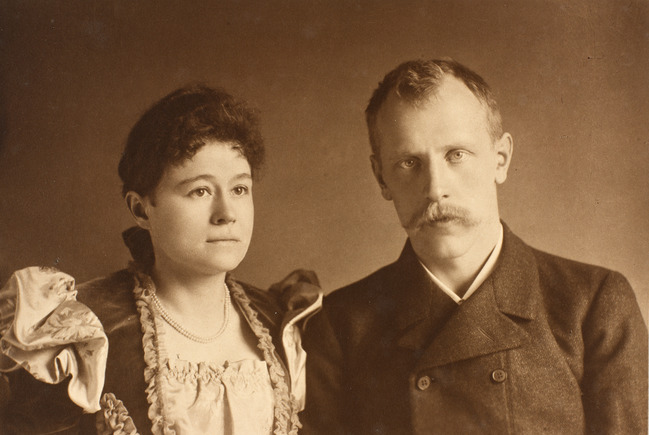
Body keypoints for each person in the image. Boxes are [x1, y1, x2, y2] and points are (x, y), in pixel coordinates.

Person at [301, 59, 648, 434]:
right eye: (409, 162)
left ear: (501, 159)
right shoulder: (340, 325)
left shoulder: (592, 304)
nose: (435, 188)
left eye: (456, 155)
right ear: (381, 177)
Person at [0, 85, 321, 434]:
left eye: (239, 189)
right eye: (200, 191)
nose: (227, 213)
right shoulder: (86, 332)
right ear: (141, 209)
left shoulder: (279, 323)